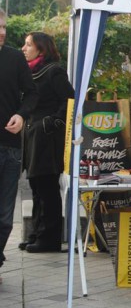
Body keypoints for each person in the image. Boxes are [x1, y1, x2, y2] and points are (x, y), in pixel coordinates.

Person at [19, 32, 73, 253]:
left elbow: (70, 99)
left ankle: (49, 238)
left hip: (46, 137)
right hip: (32, 135)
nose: (24, 48)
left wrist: (52, 122)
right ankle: (37, 233)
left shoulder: (53, 71)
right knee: (36, 186)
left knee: (47, 187)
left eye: (28, 44)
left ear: (41, 49)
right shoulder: (31, 73)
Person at [0, 9, 38, 283]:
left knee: (4, 218)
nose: (2, 31)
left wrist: (22, 114)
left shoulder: (14, 58)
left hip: (10, 148)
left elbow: (32, 93)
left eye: (3, 26)